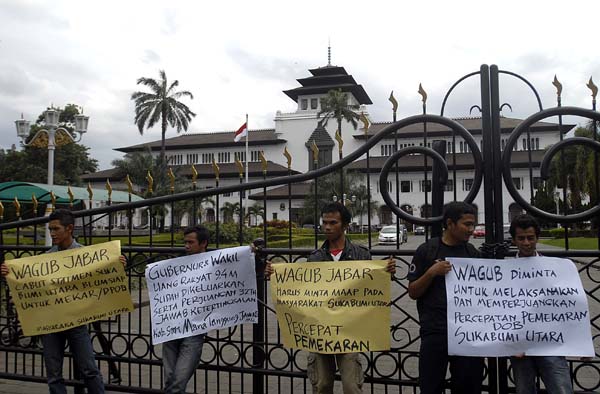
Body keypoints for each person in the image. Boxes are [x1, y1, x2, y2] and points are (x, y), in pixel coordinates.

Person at [266, 202, 395, 394]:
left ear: (345, 225)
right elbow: (305, 291)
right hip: (321, 332)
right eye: (324, 222)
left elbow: (370, 290)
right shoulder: (315, 257)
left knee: (352, 387)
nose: (327, 227)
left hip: (350, 333)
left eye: (333, 222)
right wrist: (275, 274)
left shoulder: (361, 254)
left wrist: (386, 272)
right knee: (322, 385)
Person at [1, 209, 105, 394]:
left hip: (76, 321)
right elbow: (32, 281)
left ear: (69, 228)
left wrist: (117, 262)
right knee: (53, 373)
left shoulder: (86, 255)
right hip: (51, 323)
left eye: (56, 229)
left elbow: (102, 274)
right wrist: (10, 273)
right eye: (50, 229)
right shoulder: (47, 257)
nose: (52, 233)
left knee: (89, 369)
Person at [407, 201, 484, 394]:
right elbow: (413, 292)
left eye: (473, 224)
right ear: (450, 224)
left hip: (466, 334)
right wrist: (431, 273)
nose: (471, 229)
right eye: (466, 224)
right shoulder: (427, 250)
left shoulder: (472, 254)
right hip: (435, 332)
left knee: (468, 387)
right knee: (431, 386)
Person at [509, 214, 573, 394]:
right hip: (520, 346)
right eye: (521, 238)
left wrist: (579, 342)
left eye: (531, 237)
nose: (527, 242)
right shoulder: (504, 273)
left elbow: (569, 306)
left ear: (537, 238)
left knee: (562, 389)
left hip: (550, 344)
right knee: (524, 390)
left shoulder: (554, 268)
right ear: (514, 240)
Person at [161, 225, 211, 394]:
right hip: (171, 327)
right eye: (185, 242)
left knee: (177, 382)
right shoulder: (178, 262)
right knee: (170, 380)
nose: (187, 246)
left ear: (203, 243)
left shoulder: (215, 262)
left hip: (194, 330)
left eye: (191, 242)